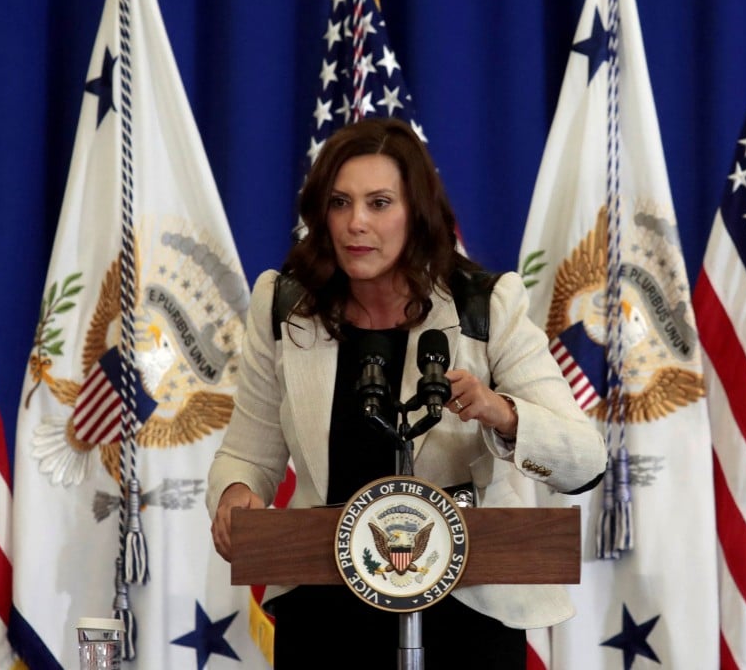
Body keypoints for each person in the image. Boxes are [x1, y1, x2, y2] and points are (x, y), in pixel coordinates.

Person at [207, 117, 606, 668]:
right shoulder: (284, 305)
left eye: (378, 203)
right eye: (340, 203)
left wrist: (504, 414)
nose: (356, 224)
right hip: (325, 612)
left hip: (467, 610)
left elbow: (584, 460)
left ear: (415, 212)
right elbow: (247, 454)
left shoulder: (484, 304)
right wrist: (233, 495)